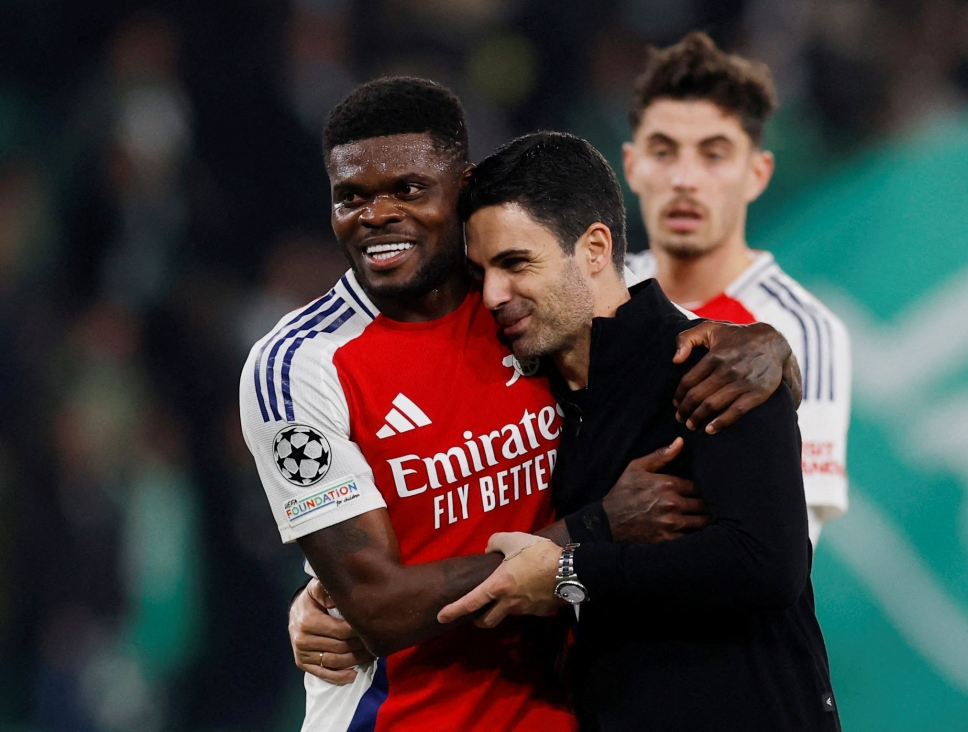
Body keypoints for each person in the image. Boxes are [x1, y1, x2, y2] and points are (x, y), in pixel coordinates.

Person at [243, 77, 799, 731]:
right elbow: (378, 608)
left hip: (566, 710)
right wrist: (593, 531)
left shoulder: (525, 304)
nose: (377, 215)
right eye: (350, 198)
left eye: (408, 190)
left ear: (463, 185)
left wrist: (768, 346)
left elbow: (660, 330)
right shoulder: (302, 365)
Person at [439, 131, 840, 731]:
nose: (494, 294)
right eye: (481, 273)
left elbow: (767, 562)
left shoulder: (717, 367)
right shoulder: (537, 401)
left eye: (516, 263)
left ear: (595, 248)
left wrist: (572, 575)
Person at [621, 32, 851, 544]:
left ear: (757, 173)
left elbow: (789, 548)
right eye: (663, 151)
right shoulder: (600, 293)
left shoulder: (806, 330)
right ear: (633, 166)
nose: (684, 178)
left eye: (714, 154)